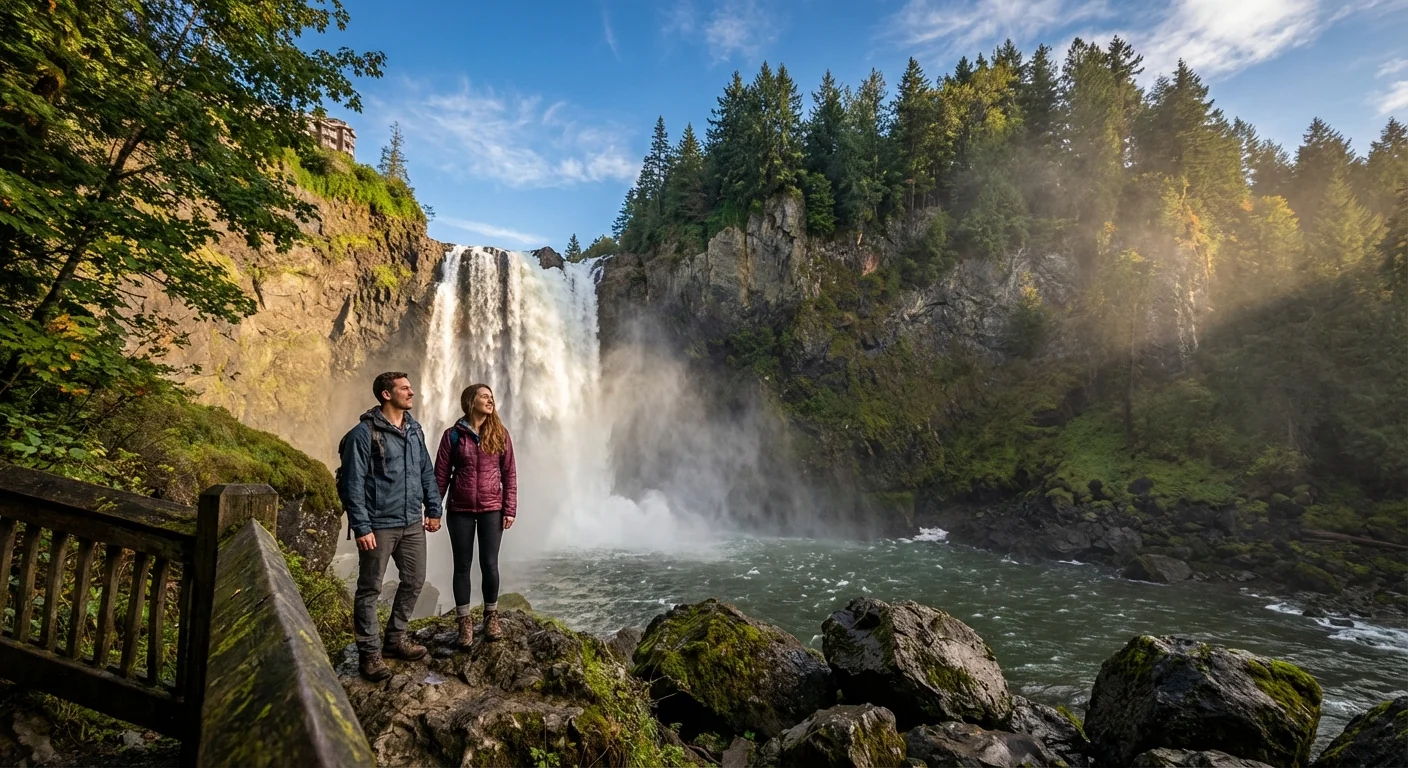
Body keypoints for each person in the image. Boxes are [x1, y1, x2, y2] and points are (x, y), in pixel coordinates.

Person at [337, 371, 442, 682]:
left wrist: (433, 508)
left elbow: (426, 471)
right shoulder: (362, 434)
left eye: (410, 387)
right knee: (369, 587)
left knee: (414, 580)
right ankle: (369, 653)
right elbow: (353, 484)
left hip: (412, 521)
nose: (411, 393)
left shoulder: (414, 431)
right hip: (379, 524)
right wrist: (361, 525)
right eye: (404, 388)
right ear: (386, 394)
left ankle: (395, 640)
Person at [434, 383, 517, 647]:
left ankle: (491, 617)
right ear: (471, 401)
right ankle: (464, 623)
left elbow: (509, 475)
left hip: (493, 508)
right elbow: (440, 477)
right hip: (460, 510)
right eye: (484, 396)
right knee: (462, 566)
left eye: (492, 397)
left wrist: (510, 508)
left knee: (490, 564)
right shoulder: (453, 436)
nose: (490, 400)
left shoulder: (500, 434)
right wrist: (434, 510)